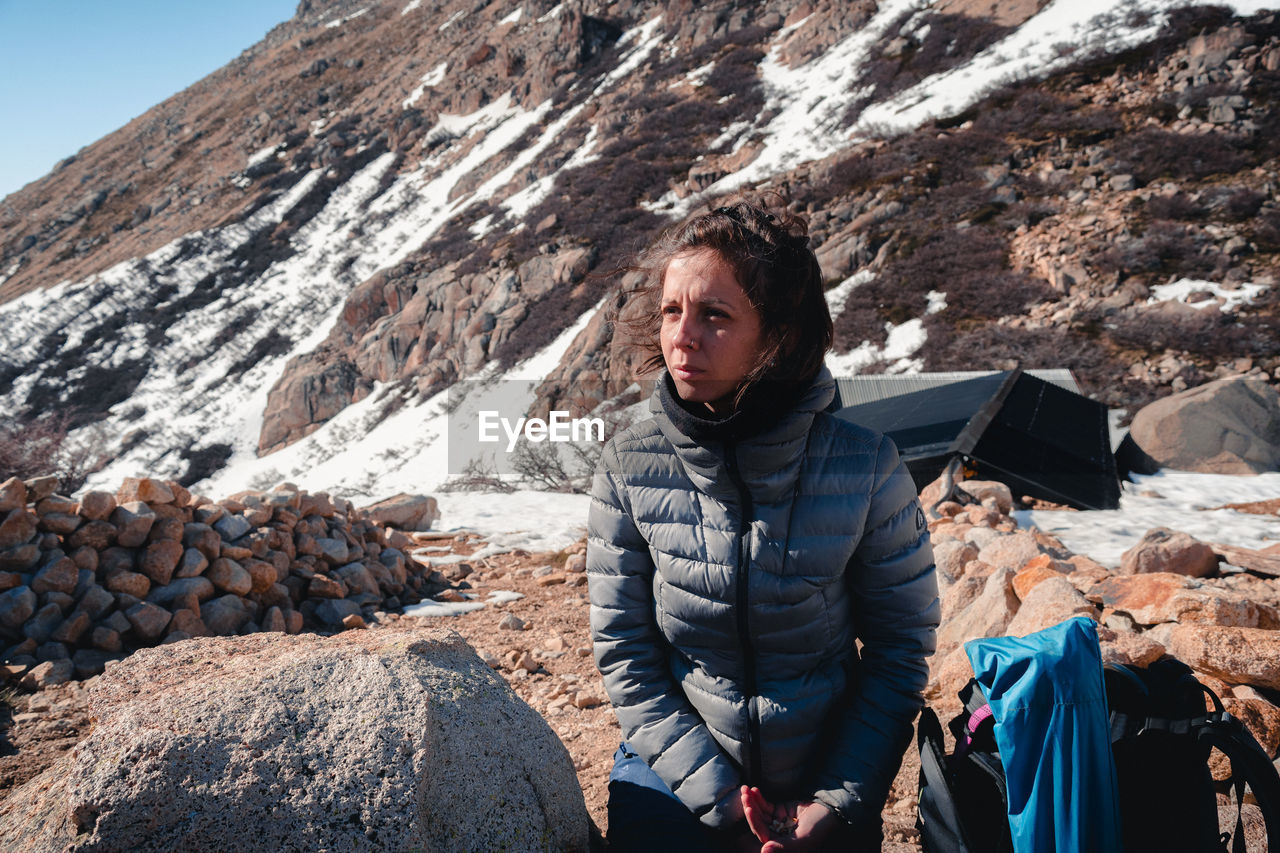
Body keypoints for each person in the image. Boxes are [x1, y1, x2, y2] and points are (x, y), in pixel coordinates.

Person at [586, 197, 941, 851]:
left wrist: (837, 800)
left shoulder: (866, 467)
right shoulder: (628, 464)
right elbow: (627, 656)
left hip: (825, 773)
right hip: (677, 773)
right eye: (672, 311)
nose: (681, 337)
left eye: (714, 316)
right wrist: (722, 802)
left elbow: (898, 654)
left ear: (778, 336)